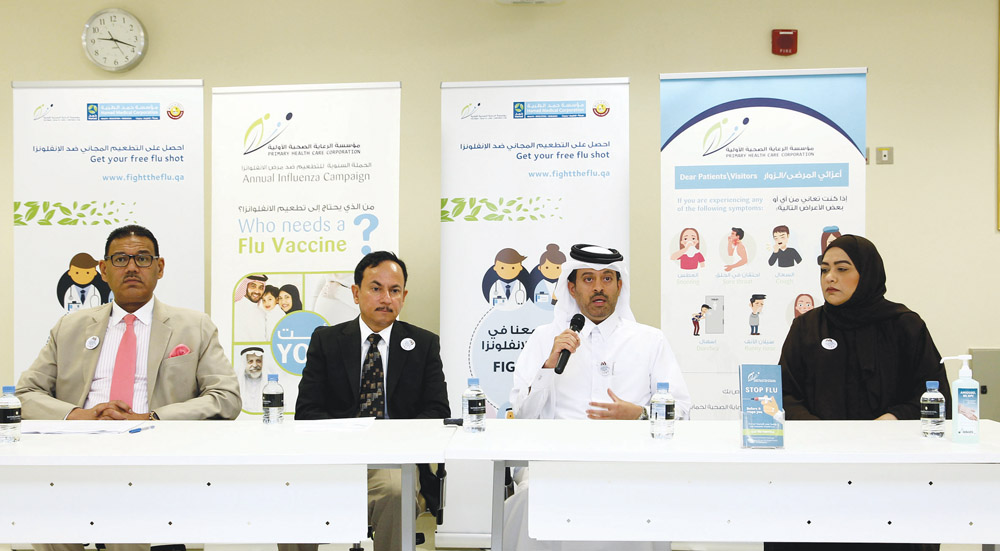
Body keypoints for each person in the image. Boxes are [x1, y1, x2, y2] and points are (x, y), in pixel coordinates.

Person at [17, 224, 241, 551]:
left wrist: (152, 418)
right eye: (121, 259)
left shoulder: (194, 326)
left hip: (155, 458)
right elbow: (24, 395)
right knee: (45, 522)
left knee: (130, 526)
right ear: (103, 270)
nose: (132, 267)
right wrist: (78, 415)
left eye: (143, 258)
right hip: (77, 457)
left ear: (159, 267)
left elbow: (226, 398)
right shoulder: (70, 326)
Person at [767, 235, 951, 551]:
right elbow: (783, 393)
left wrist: (891, 419)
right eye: (824, 270)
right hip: (817, 472)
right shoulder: (807, 327)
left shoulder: (905, 325)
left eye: (842, 269)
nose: (830, 278)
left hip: (892, 473)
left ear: (867, 274)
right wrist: (817, 431)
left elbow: (934, 395)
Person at [505, 244, 691, 551]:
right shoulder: (543, 340)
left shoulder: (649, 341)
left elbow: (682, 410)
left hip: (630, 459)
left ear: (620, 286)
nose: (598, 288)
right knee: (532, 496)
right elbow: (521, 416)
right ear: (572, 287)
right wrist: (548, 368)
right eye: (588, 279)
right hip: (556, 458)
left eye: (607, 279)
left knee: (647, 492)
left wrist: (640, 414)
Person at [288, 251, 449, 551]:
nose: (386, 298)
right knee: (292, 495)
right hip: (333, 454)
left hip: (393, 456)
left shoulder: (424, 344)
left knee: (396, 492)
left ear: (404, 296)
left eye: (395, 290)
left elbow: (437, 411)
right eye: (376, 288)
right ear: (355, 293)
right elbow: (307, 411)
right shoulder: (326, 341)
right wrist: (350, 437)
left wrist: (391, 439)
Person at [234, 274, 268, 342]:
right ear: (245, 287)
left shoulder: (263, 312)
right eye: (253, 286)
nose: (257, 291)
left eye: (261, 288)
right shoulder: (235, 309)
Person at [239, 346, 265, 413]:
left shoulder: (270, 385)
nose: (255, 365)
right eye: (250, 361)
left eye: (258, 361)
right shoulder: (237, 385)